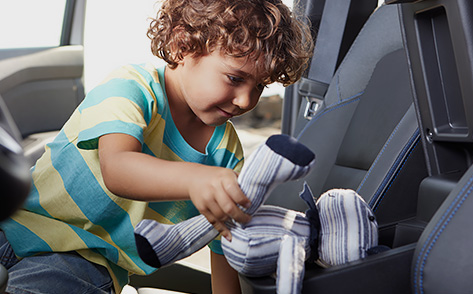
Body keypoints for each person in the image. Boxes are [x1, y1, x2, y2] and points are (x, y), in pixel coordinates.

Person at [0, 0, 312, 293]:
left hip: (83, 260)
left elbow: (224, 245)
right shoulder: (131, 88)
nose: (246, 100)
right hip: (13, 224)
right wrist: (195, 179)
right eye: (234, 78)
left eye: (259, 86)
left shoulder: (226, 151)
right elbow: (118, 168)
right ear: (181, 46)